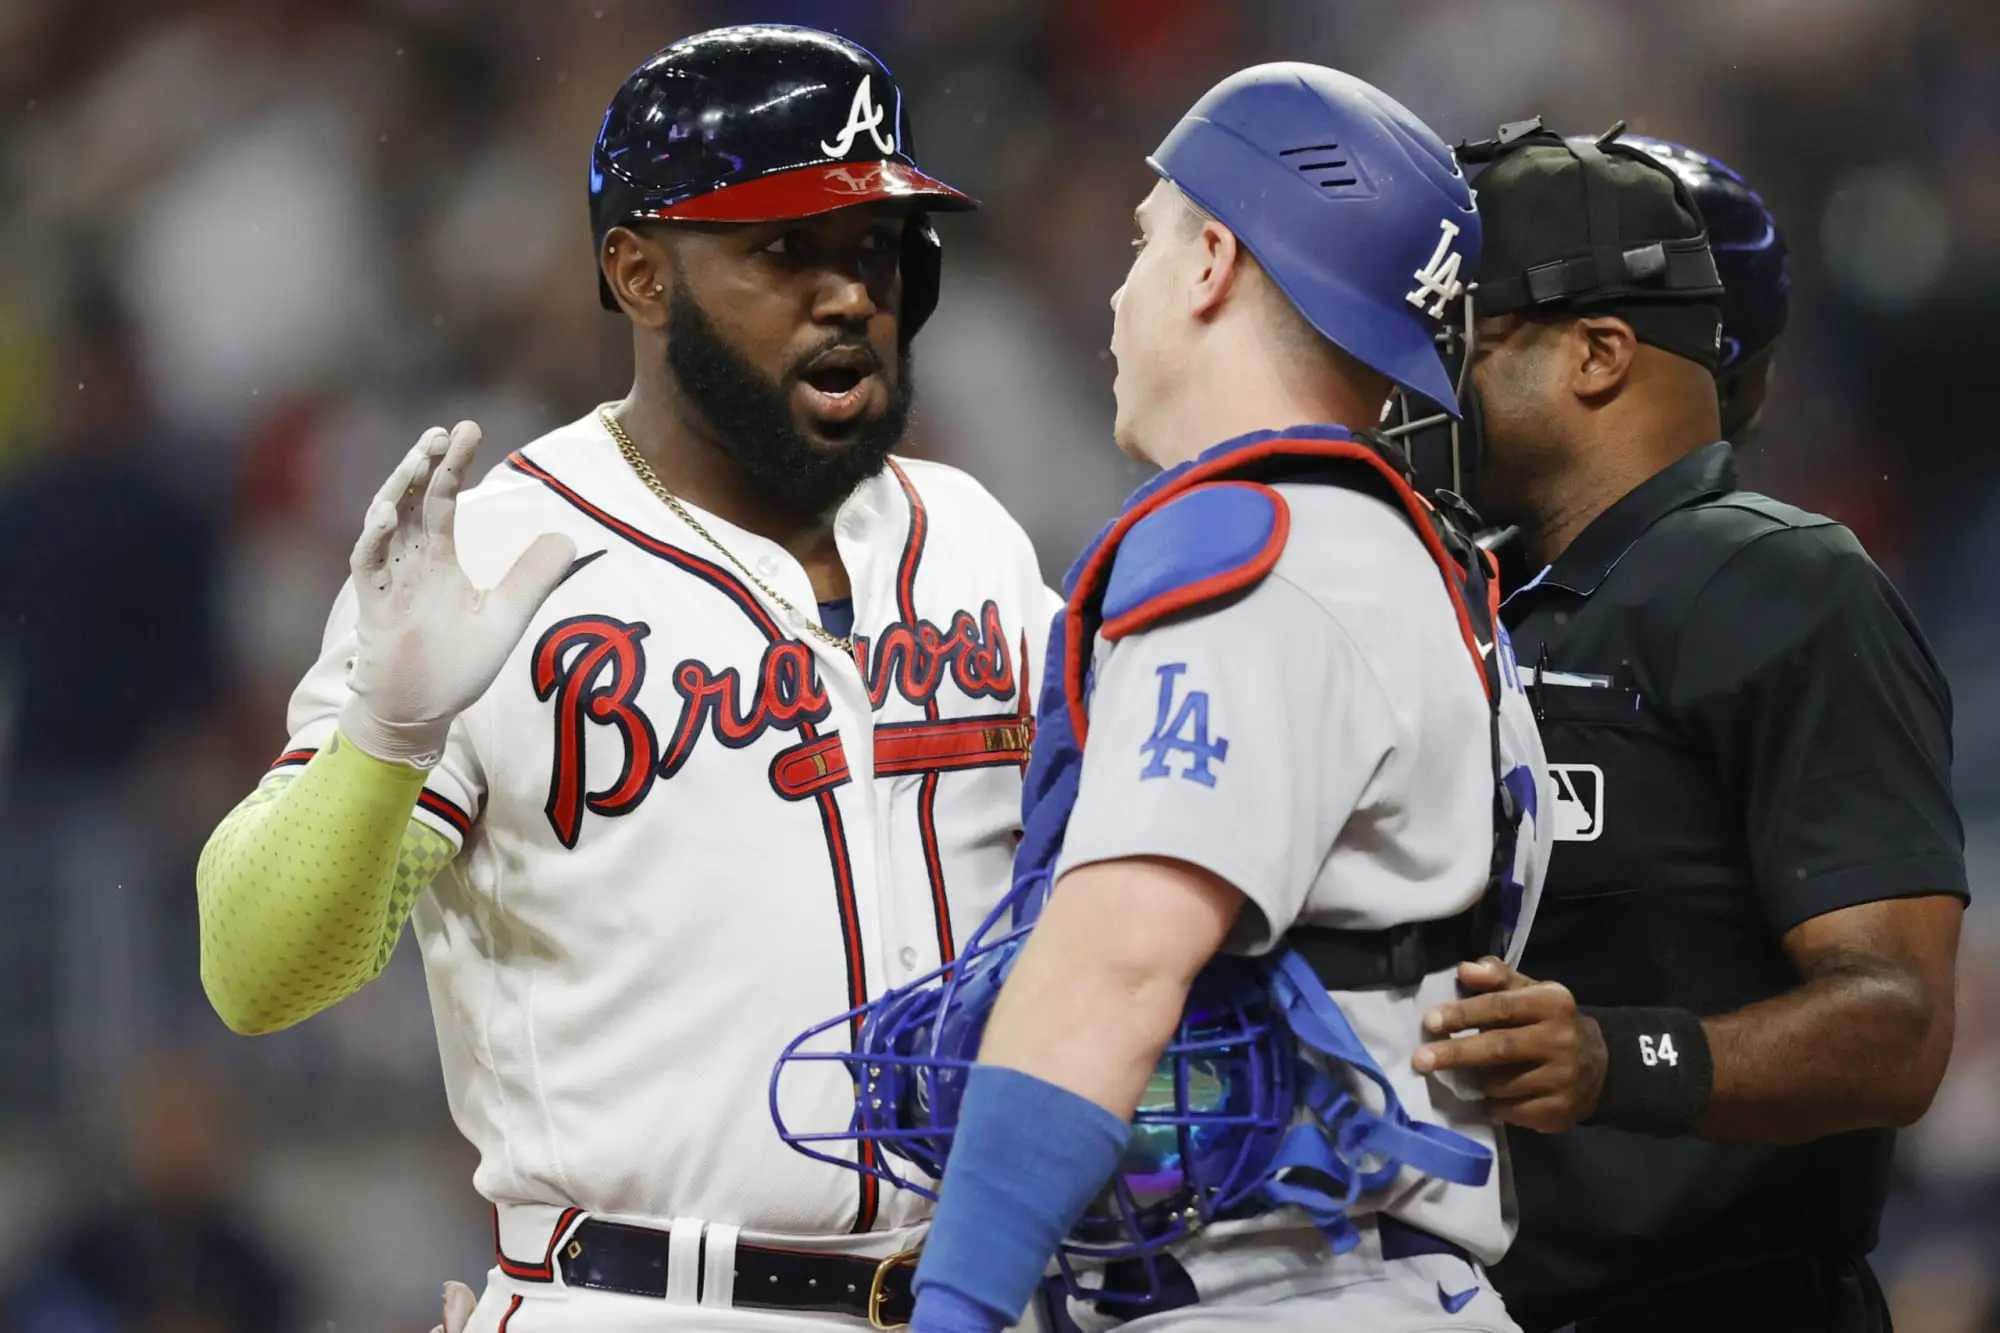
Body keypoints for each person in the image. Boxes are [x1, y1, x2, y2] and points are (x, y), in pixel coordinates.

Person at [195, 25, 1056, 1332]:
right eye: (786, 251)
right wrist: (389, 729)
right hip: (647, 1296)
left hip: (980, 1297)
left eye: (877, 248)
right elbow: (256, 971)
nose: (849, 295)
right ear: (639, 273)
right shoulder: (500, 552)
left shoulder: (976, 541)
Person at [813, 64, 1554, 1333]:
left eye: (1144, 239)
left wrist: (956, 1308)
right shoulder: (1401, 558)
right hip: (1375, 1280)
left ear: (1213, 259)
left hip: (1276, 1288)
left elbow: (1116, 963)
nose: (1118, 289)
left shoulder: (1253, 558)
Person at [1409, 123, 1965, 1333]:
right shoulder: (1445, 594)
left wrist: (1619, 1058)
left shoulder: (1778, 584)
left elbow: (1898, 1024)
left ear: (1598, 353)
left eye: (1461, 342)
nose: (1420, 385)